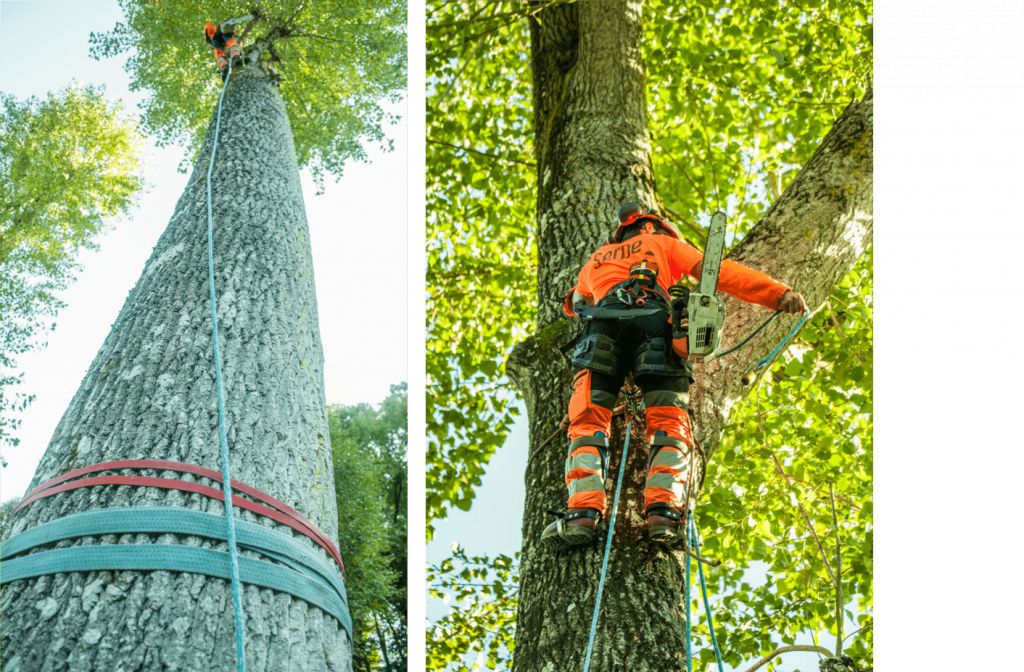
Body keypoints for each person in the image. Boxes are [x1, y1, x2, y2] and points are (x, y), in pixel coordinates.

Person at [541, 202, 807, 550]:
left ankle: (582, 514)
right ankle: (664, 513)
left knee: (587, 420)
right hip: (655, 324)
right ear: (655, 228)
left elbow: (574, 302)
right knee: (669, 419)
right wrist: (777, 293)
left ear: (624, 232)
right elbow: (718, 271)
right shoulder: (664, 244)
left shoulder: (597, 257)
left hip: (601, 329)